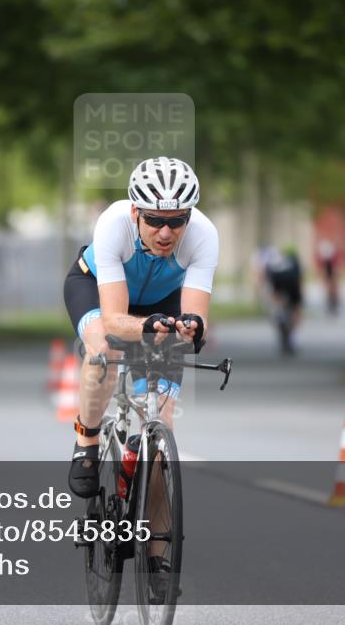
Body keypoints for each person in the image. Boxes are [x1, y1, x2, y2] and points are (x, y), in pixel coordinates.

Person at [63, 155, 218, 499]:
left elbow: (196, 313)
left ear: (189, 216)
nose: (166, 233)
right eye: (154, 220)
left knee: (163, 426)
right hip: (95, 288)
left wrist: (192, 328)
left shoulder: (204, 235)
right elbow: (114, 321)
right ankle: (86, 439)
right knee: (105, 345)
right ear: (136, 213)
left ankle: (157, 546)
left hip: (161, 303)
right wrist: (146, 328)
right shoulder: (112, 224)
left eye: (177, 221)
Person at [263, 244, 303, 355]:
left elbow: (271, 284)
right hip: (290, 288)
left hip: (286, 288)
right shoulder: (293, 264)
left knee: (282, 315)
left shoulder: (275, 265)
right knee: (289, 315)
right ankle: (288, 336)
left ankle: (287, 335)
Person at [316, 239, 341, 315]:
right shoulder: (323, 257)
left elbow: (336, 269)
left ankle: (335, 302)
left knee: (334, 286)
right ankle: (330, 301)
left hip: (333, 270)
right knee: (328, 287)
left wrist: (336, 278)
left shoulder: (334, 256)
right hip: (328, 270)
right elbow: (322, 269)